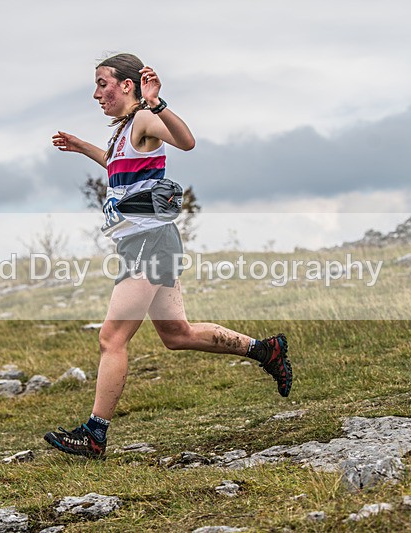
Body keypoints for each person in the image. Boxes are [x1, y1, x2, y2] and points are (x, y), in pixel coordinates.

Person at [44, 53, 292, 459]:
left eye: (102, 84)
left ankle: (94, 434)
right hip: (146, 242)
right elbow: (118, 166)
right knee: (177, 335)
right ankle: (266, 350)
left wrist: (157, 102)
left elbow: (186, 141)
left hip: (149, 242)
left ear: (127, 85)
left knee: (112, 337)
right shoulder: (125, 130)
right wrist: (81, 147)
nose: (96, 93)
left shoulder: (143, 118)